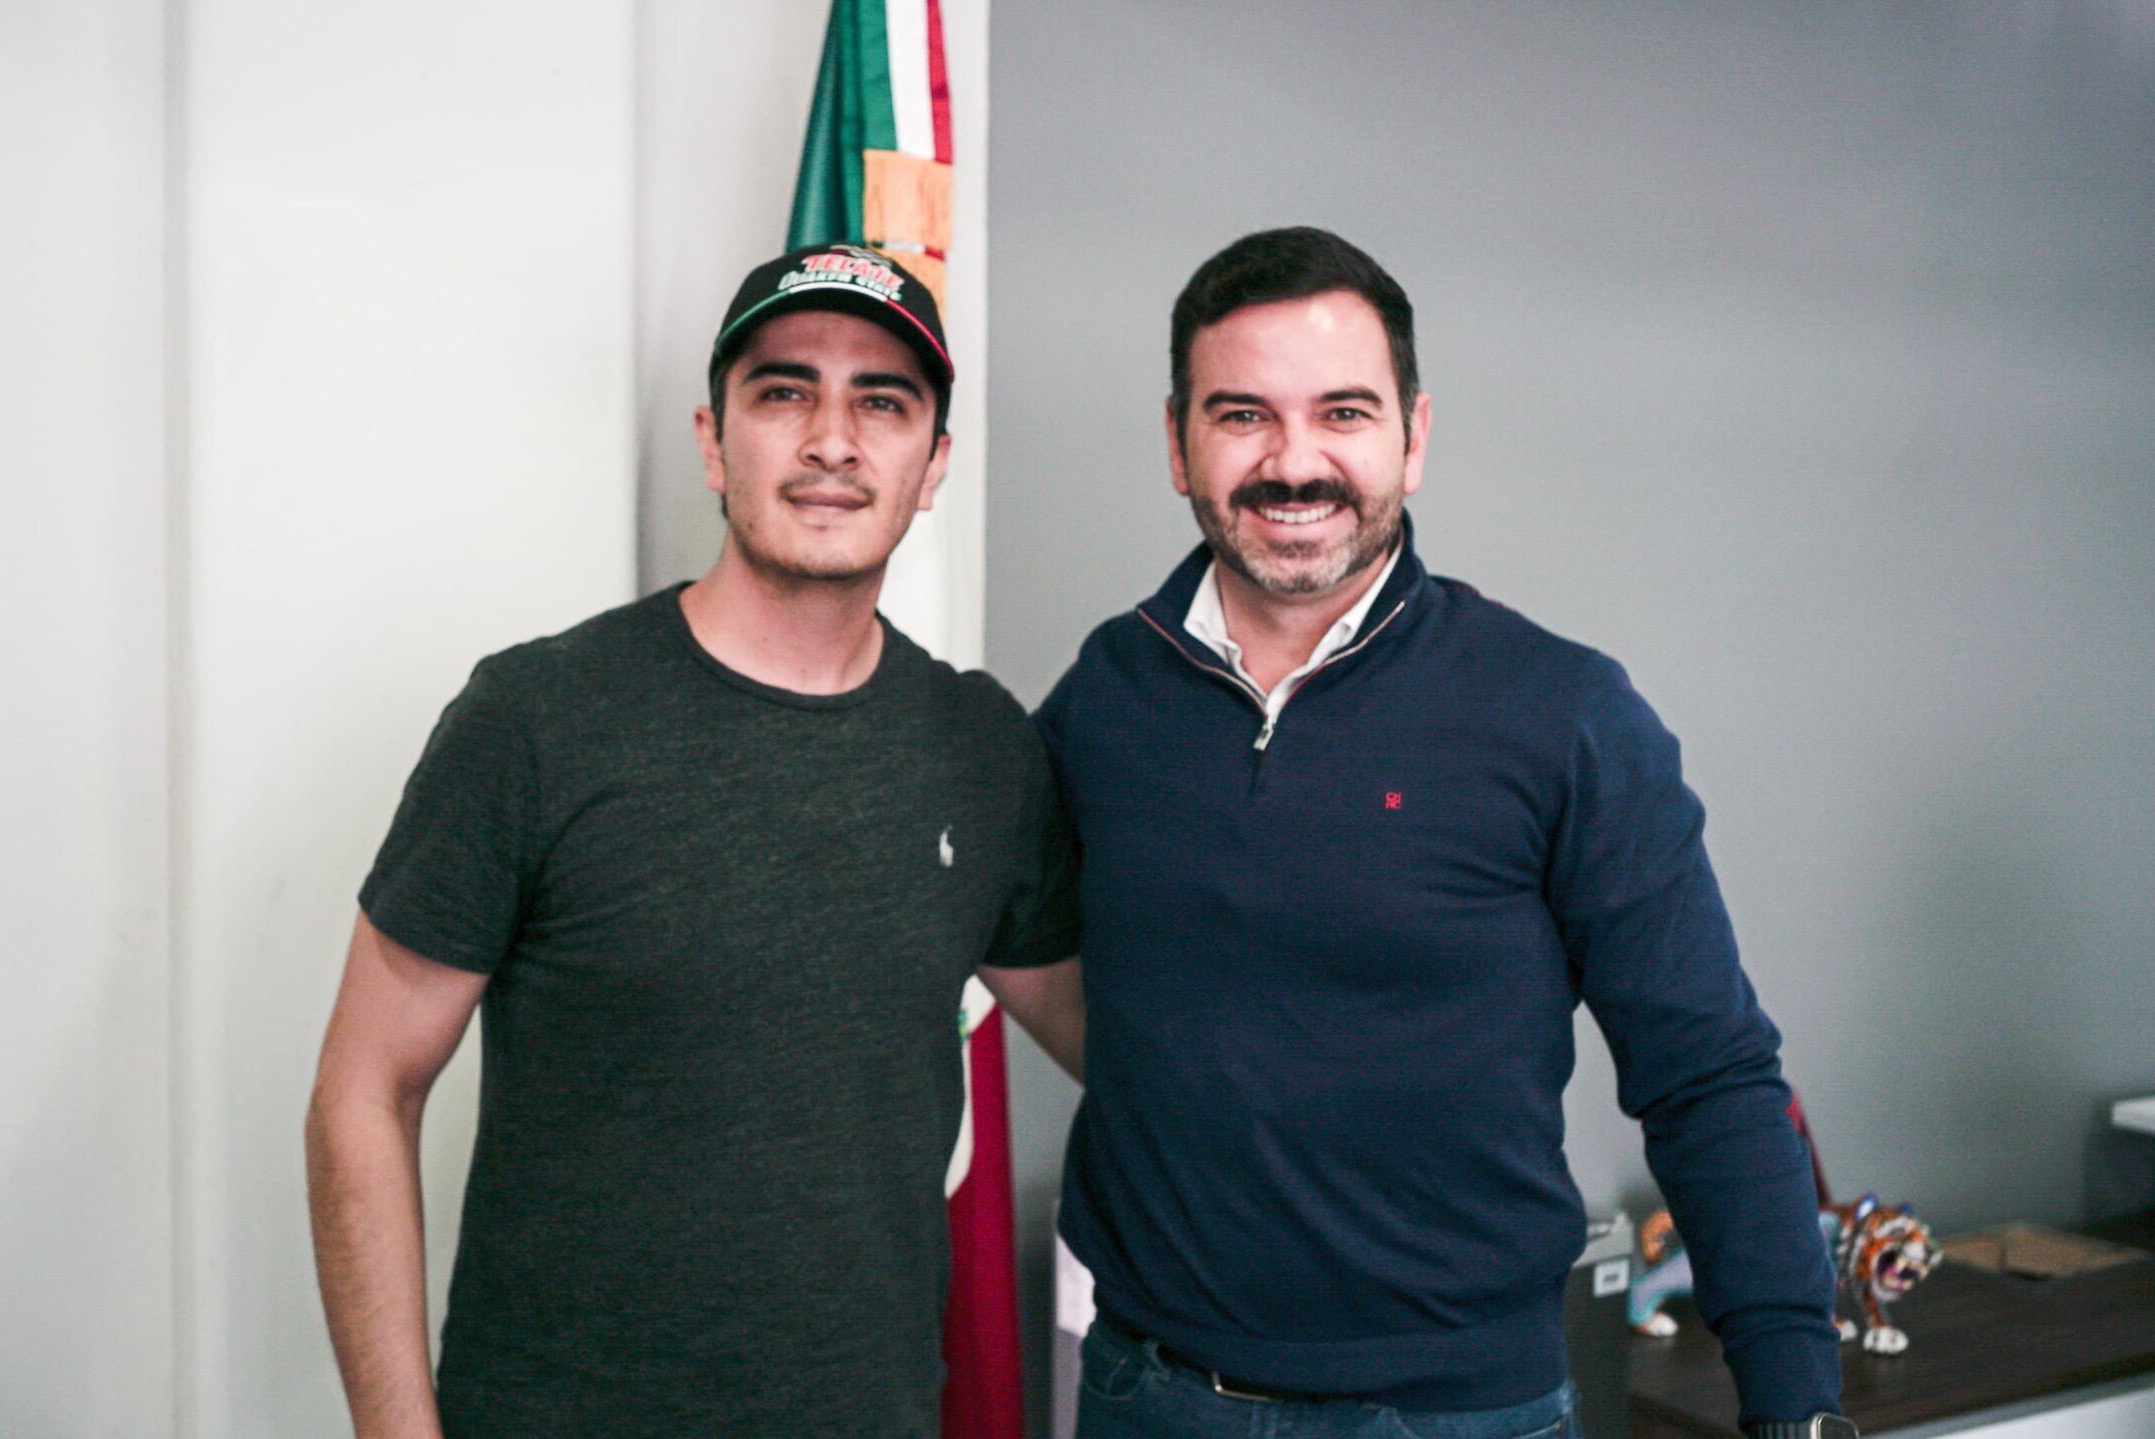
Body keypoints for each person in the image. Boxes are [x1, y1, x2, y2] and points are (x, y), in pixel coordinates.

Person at [1033, 228, 1847, 1439]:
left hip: (1455, 1412)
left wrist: (1794, 1401)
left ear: (1412, 438)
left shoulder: (1560, 710)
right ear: (1176, 441)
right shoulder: (1107, 692)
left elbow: (1708, 1070)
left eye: (1343, 413)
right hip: (1147, 1391)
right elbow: (1019, 936)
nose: (1293, 460)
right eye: (1243, 414)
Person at [305, 243, 1087, 1439]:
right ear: (714, 442)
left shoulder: (981, 747)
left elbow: (1132, 1046)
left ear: (932, 463)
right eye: (783, 392)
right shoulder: (537, 718)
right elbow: (364, 1087)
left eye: (882, 402)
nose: (832, 439)